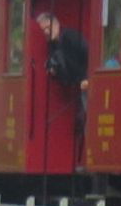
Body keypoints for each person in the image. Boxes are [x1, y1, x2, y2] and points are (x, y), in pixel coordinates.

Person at [36, 10, 89, 148]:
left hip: (87, 83)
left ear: (56, 24)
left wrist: (87, 78)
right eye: (43, 30)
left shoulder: (71, 37)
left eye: (48, 27)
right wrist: (54, 72)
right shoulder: (52, 45)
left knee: (89, 117)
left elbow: (90, 54)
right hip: (76, 85)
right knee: (82, 119)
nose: (46, 32)